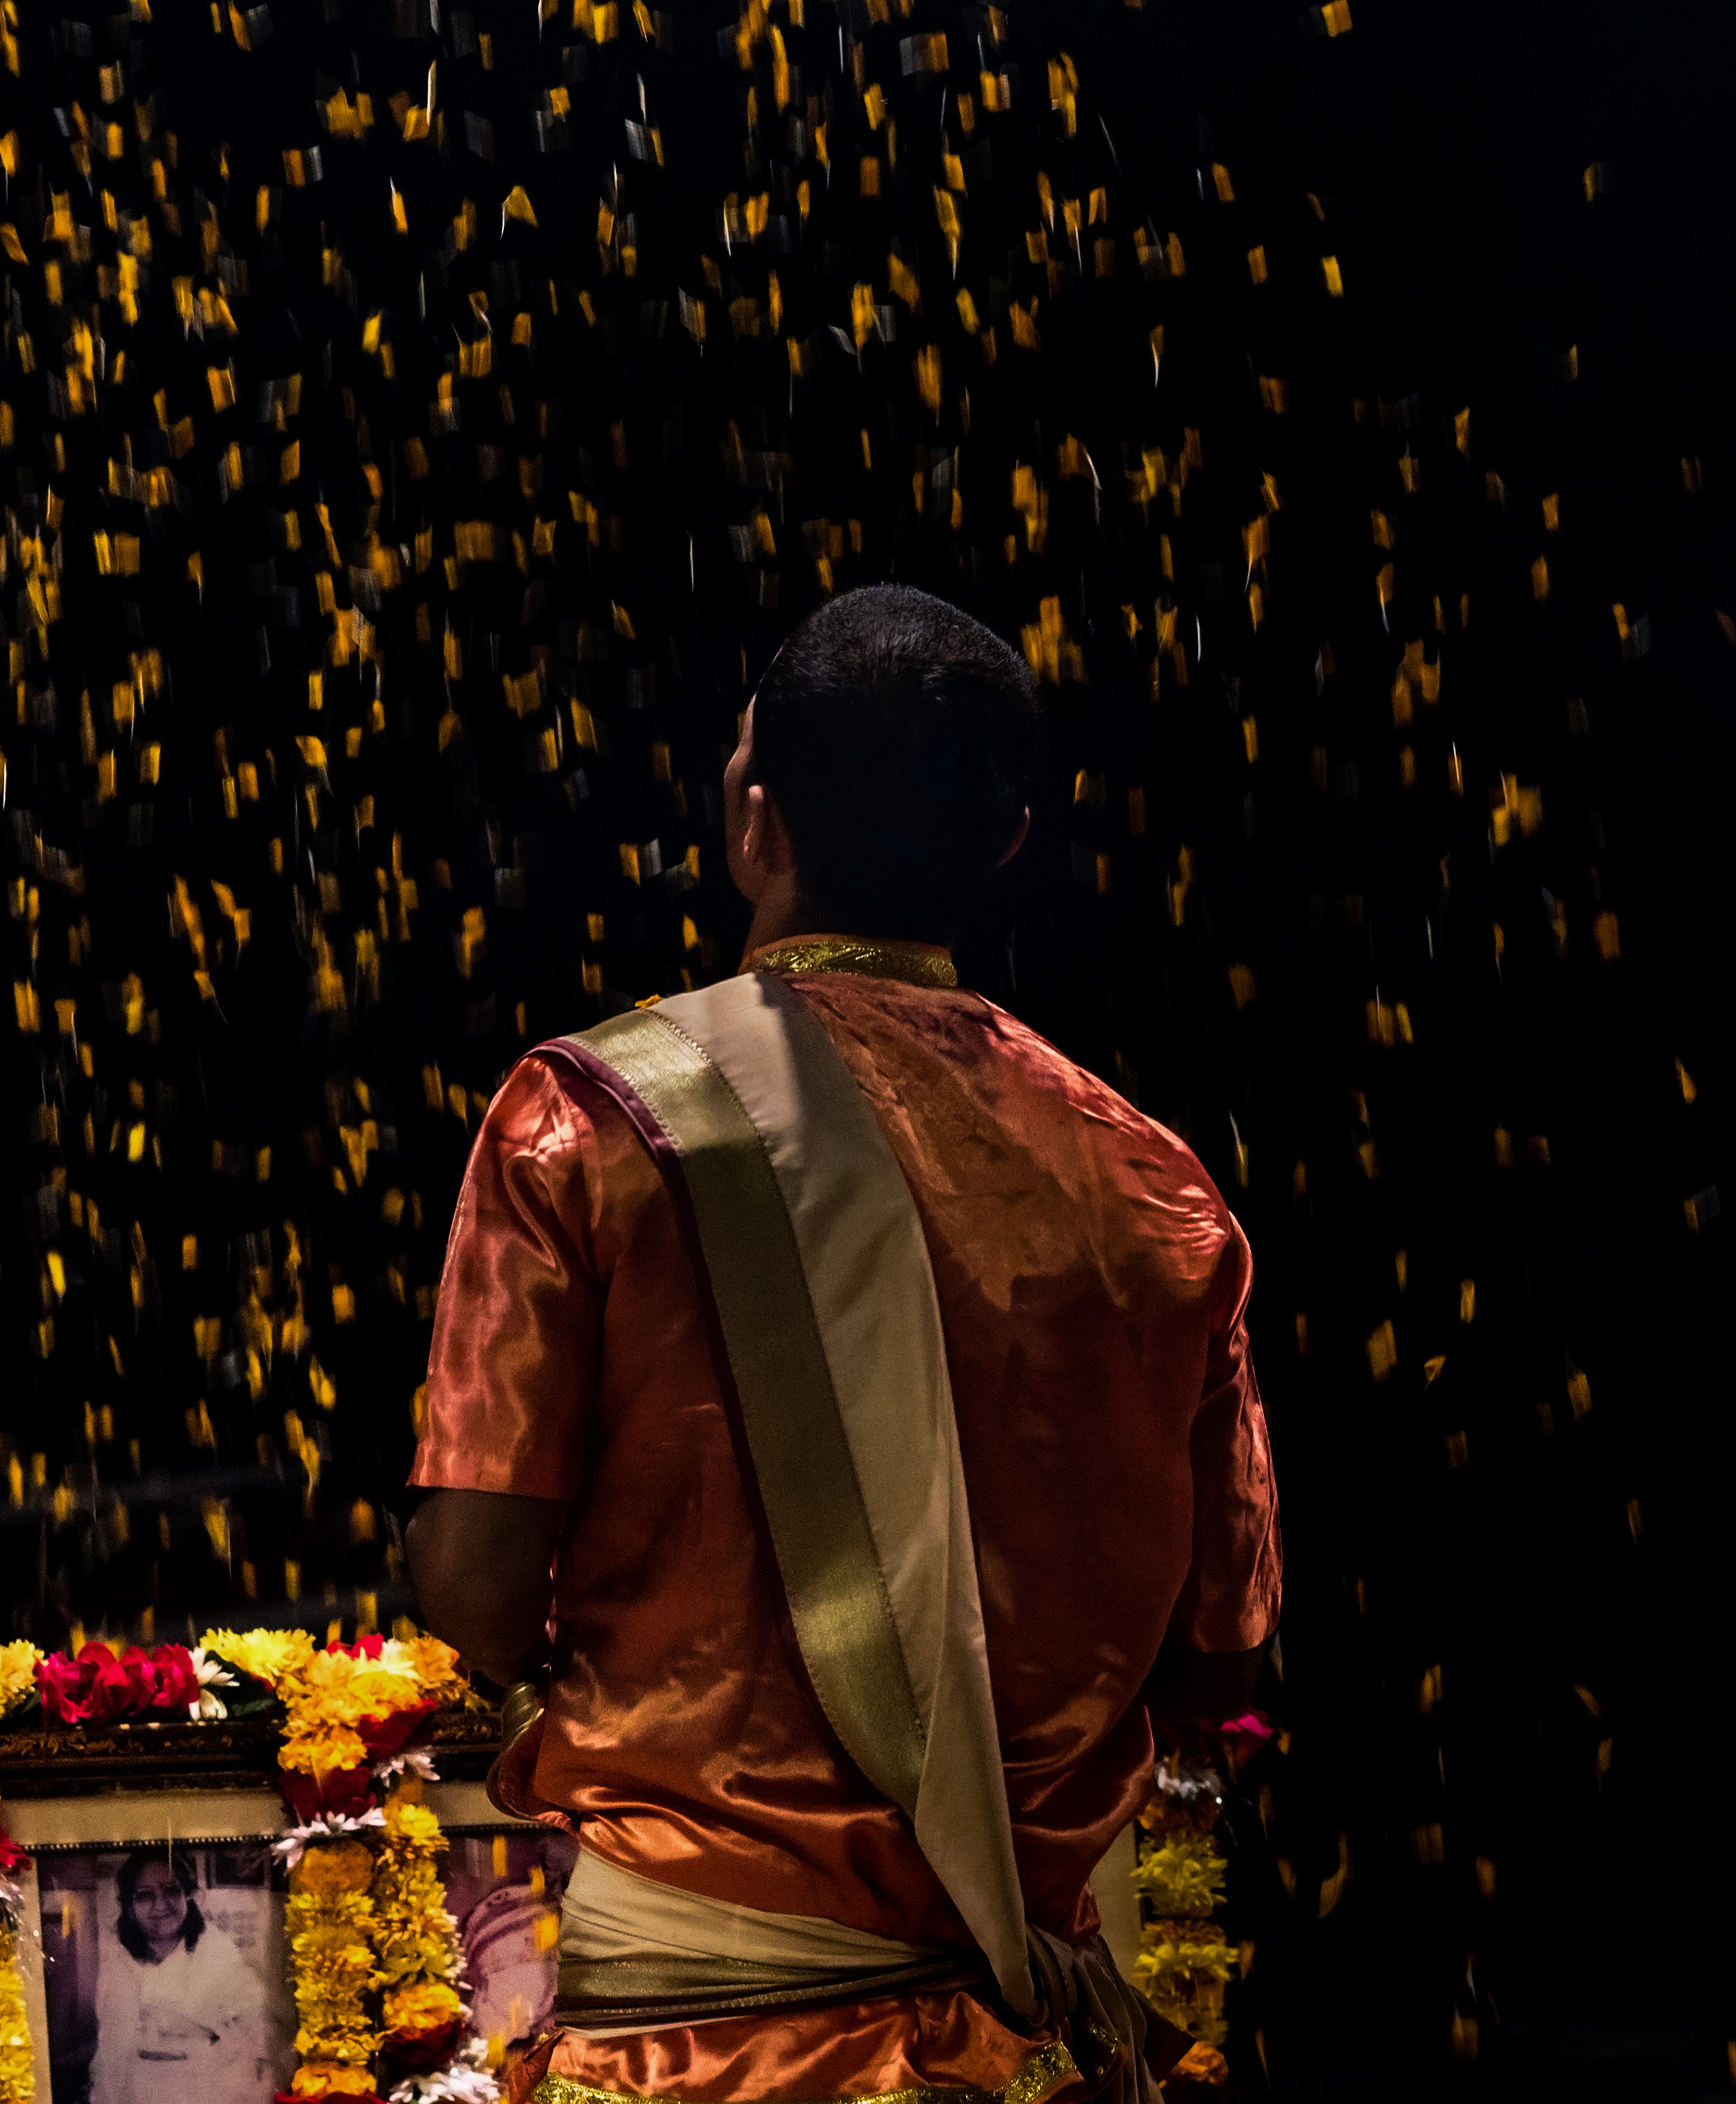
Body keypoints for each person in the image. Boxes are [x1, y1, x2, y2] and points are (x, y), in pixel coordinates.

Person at [406, 586, 1279, 2104]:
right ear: (1008, 841)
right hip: (1027, 2055)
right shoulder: (1157, 1190)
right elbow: (1225, 1656)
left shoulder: (591, 1122)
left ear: (755, 817)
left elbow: (475, 1584)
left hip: (695, 2053)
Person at [91, 1849, 266, 2104]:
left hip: (210, 2092)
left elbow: (254, 2040)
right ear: (129, 1907)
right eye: (145, 1895)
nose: (161, 1905)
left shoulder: (219, 1954)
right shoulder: (118, 1963)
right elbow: (111, 2054)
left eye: (171, 1891)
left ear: (189, 1896)